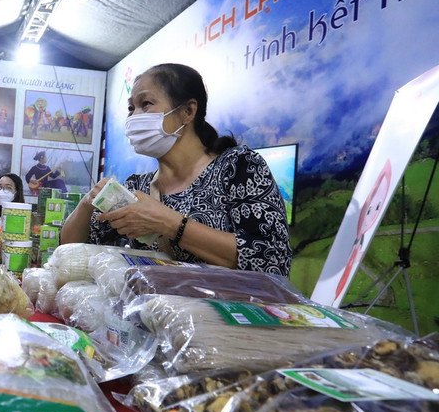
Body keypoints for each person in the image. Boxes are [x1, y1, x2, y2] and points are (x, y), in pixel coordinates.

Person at [59, 63, 291, 276]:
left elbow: (272, 260)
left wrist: (168, 223)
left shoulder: (238, 167)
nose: (133, 117)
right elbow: (71, 249)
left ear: (188, 111)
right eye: (131, 108)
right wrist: (87, 203)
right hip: (158, 315)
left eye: (146, 104)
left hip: (229, 316)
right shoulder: (136, 188)